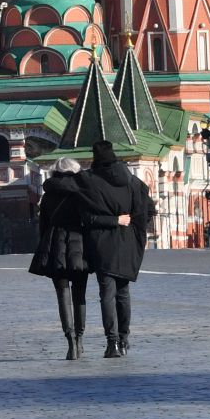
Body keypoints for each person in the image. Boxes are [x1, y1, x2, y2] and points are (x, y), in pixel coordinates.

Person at [73, 140, 155, 358]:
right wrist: (134, 227)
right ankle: (125, 339)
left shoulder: (89, 181)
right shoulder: (133, 181)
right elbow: (149, 209)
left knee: (106, 294)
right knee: (123, 293)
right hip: (127, 243)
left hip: (102, 245)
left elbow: (87, 217)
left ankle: (113, 343)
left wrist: (112, 220)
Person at [28, 156, 91, 359]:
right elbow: (88, 220)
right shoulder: (81, 192)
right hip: (79, 244)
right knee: (79, 293)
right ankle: (80, 339)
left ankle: (70, 341)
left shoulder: (48, 195)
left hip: (54, 244)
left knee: (62, 295)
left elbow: (43, 225)